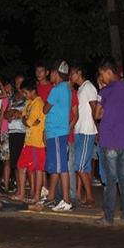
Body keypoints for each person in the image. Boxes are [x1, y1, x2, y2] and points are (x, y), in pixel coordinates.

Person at [95, 58, 124, 225]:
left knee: (111, 181)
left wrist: (102, 94)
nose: (101, 77)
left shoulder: (104, 91)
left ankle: (109, 217)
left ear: (108, 72)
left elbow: (97, 115)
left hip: (109, 139)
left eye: (101, 74)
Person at [42, 60, 73, 212]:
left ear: (55, 73)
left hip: (57, 132)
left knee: (62, 168)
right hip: (57, 132)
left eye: (51, 72)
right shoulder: (66, 88)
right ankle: (51, 197)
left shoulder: (57, 89)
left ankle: (66, 200)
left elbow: (45, 109)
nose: (50, 75)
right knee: (56, 167)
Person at [69, 63, 98, 207]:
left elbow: (95, 108)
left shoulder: (88, 87)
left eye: (72, 73)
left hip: (87, 130)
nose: (70, 76)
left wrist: (97, 129)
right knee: (84, 166)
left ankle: (90, 197)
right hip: (80, 131)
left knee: (79, 166)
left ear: (79, 72)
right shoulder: (81, 88)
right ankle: (86, 196)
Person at [14, 78, 45, 202]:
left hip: (37, 142)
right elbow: (24, 117)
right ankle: (24, 193)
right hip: (29, 141)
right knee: (22, 166)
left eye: (26, 93)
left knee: (37, 169)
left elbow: (27, 121)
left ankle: (36, 196)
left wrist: (26, 120)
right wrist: (25, 120)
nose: (24, 96)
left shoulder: (38, 103)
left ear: (32, 91)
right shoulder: (29, 102)